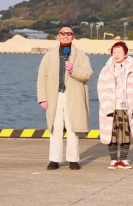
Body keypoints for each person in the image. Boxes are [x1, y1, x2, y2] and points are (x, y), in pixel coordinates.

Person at [37, 26, 93, 170]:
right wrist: (42, 98)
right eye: (63, 33)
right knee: (55, 128)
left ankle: (73, 159)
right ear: (58, 36)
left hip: (73, 96)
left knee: (73, 127)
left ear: (73, 37)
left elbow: (87, 74)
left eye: (69, 34)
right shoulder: (49, 55)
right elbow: (42, 78)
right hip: (54, 96)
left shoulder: (81, 55)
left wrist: (73, 70)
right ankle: (54, 159)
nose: (66, 36)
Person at [97, 41, 133, 169]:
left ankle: (123, 159)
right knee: (111, 135)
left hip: (126, 107)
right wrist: (107, 108)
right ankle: (113, 160)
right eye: (114, 52)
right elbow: (101, 89)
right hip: (111, 107)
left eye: (119, 52)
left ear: (125, 53)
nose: (116, 55)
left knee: (125, 134)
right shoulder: (106, 70)